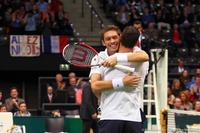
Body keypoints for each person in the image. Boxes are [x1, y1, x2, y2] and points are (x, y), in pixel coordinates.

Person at [91, 26, 149, 133]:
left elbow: (145, 57)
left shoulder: (138, 54)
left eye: (114, 37)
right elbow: (94, 86)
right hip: (110, 116)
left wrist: (116, 59)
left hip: (133, 117)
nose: (112, 41)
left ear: (120, 37)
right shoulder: (99, 58)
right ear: (103, 42)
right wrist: (121, 83)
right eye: (108, 39)